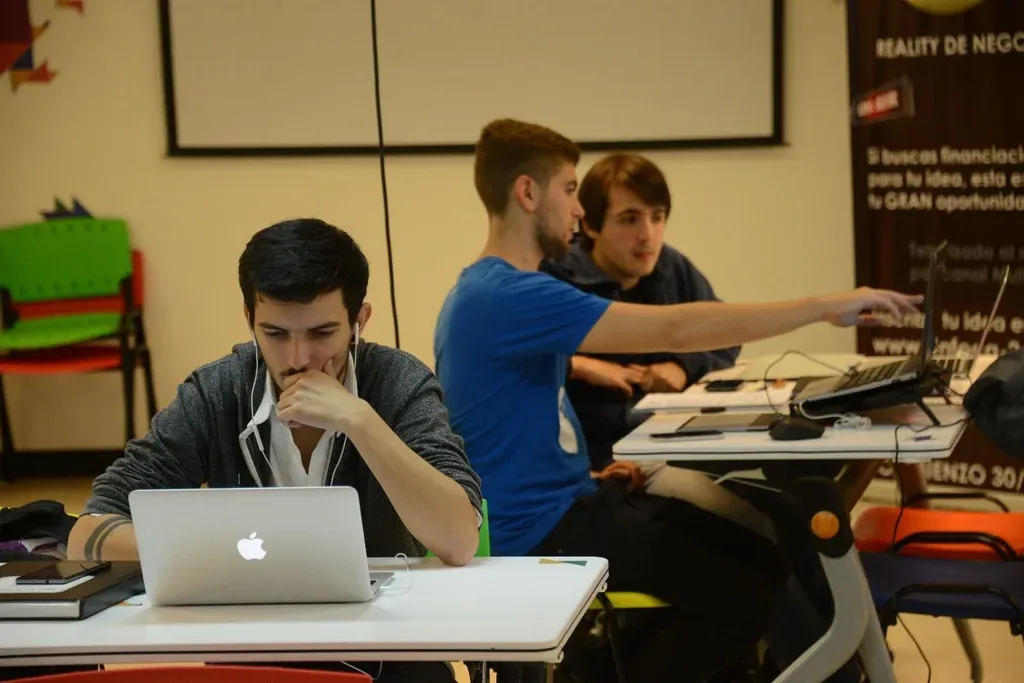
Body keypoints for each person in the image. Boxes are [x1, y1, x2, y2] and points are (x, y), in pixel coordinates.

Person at [433, 118, 921, 683]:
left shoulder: (491, 291)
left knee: (763, 558)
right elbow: (678, 330)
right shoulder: (507, 295)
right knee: (746, 592)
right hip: (538, 532)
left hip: (574, 499)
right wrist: (823, 307)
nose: (578, 210)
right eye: (569, 189)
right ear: (527, 192)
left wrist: (585, 473)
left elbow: (515, 421)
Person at [67, 218, 483, 683]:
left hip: (388, 659)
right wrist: (215, 555)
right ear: (249, 320)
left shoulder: (397, 382)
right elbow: (89, 531)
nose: (298, 359)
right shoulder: (218, 391)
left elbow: (459, 539)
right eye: (276, 334)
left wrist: (361, 421)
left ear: (359, 321)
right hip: (253, 660)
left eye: (322, 333)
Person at [537, 153, 774, 539]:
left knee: (781, 503)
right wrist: (576, 365)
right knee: (746, 523)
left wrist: (682, 366)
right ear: (591, 226)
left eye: (657, 217)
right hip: (606, 459)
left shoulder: (671, 266)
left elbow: (724, 333)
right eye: (629, 219)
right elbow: (517, 361)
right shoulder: (554, 276)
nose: (647, 235)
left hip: (680, 440)